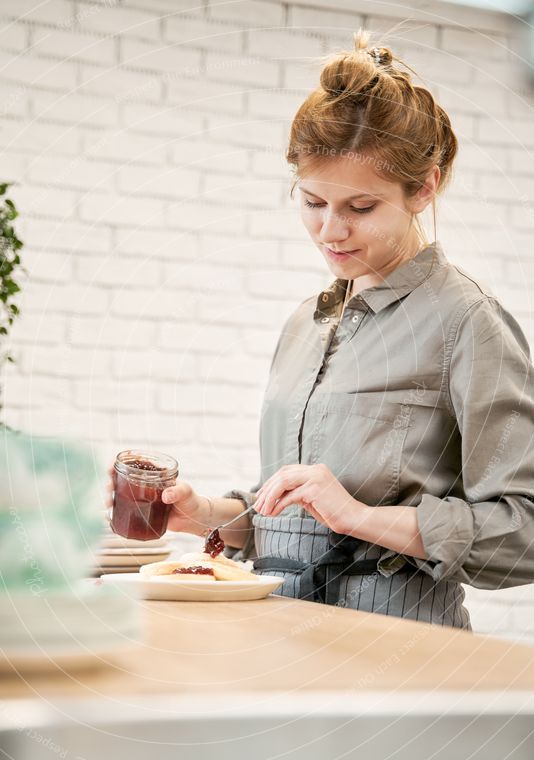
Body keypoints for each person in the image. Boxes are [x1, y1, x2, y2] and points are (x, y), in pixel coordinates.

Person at [158, 30, 534, 629]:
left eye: (360, 209)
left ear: (425, 187)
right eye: (312, 202)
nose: (331, 231)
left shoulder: (469, 322)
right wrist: (200, 513)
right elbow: (286, 516)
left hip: (399, 657)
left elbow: (524, 532)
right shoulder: (304, 324)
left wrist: (358, 515)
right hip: (285, 644)